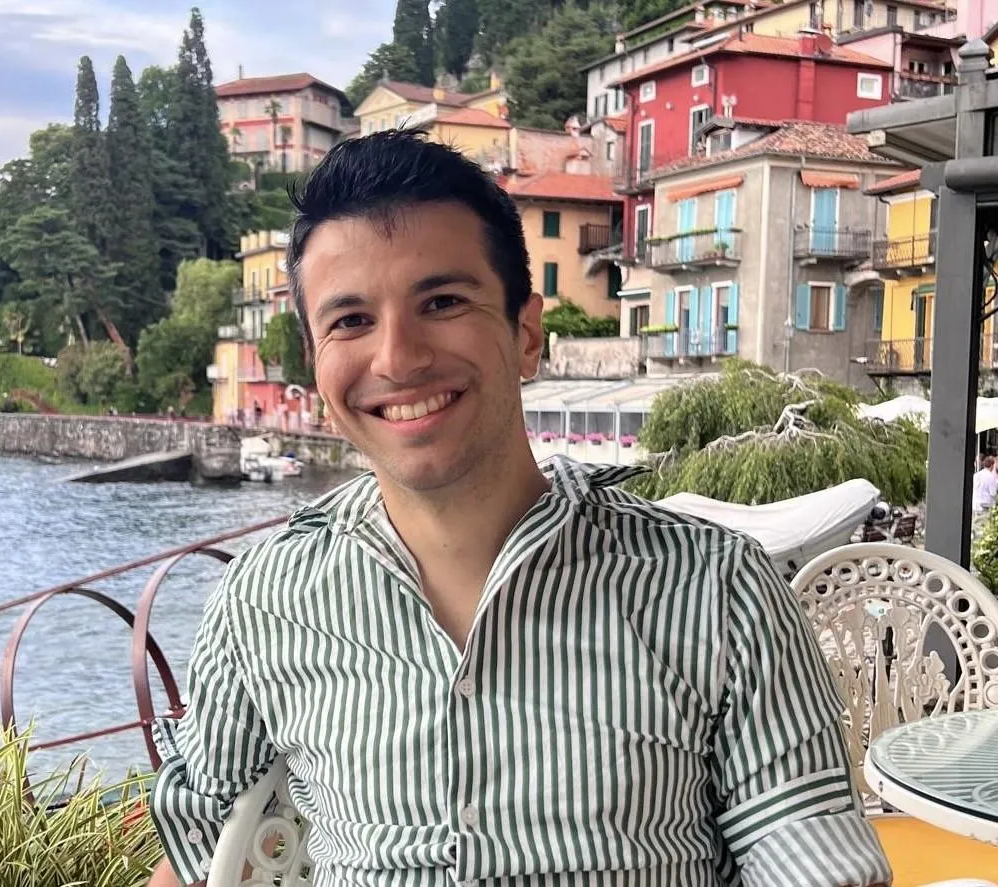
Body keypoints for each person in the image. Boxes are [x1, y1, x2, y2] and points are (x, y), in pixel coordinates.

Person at [146, 131, 890, 887]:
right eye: (351, 321)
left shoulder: (717, 590)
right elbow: (197, 846)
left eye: (442, 302)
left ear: (526, 333)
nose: (397, 358)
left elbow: (811, 857)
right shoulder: (264, 600)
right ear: (317, 365)